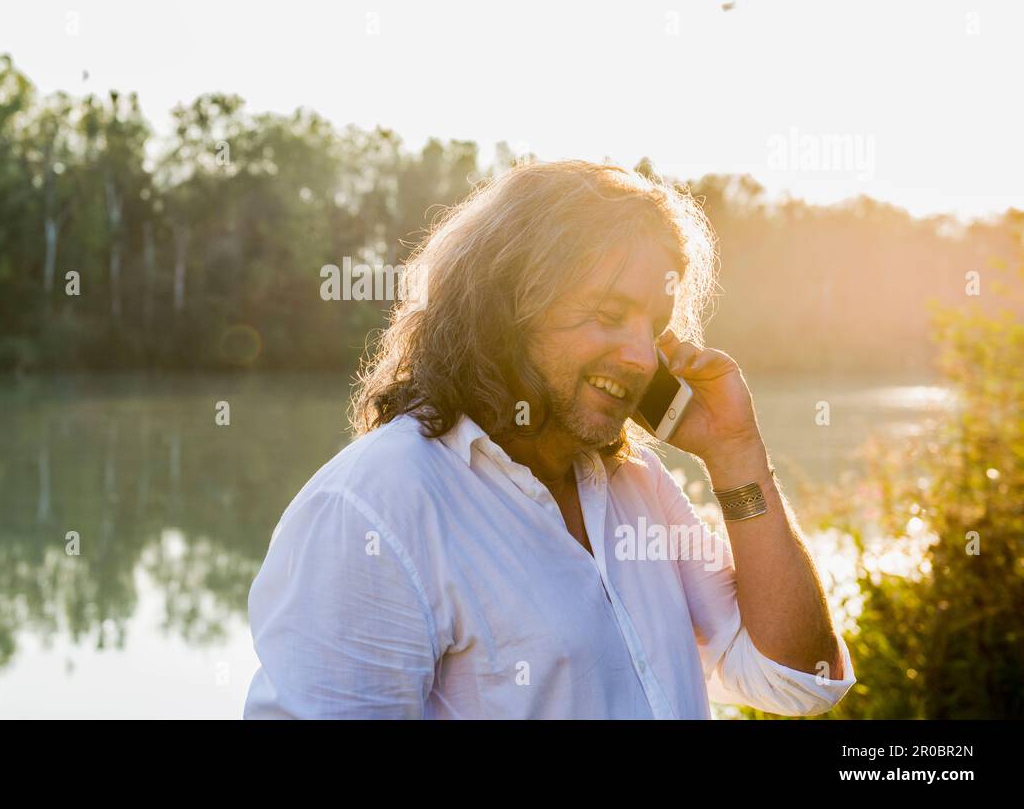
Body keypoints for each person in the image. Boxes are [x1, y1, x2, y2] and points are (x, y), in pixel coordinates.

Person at [243, 159, 856, 718]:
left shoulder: (640, 490)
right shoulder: (373, 509)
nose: (643, 356)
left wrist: (735, 452)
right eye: (609, 315)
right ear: (506, 308)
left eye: (656, 326)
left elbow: (800, 680)